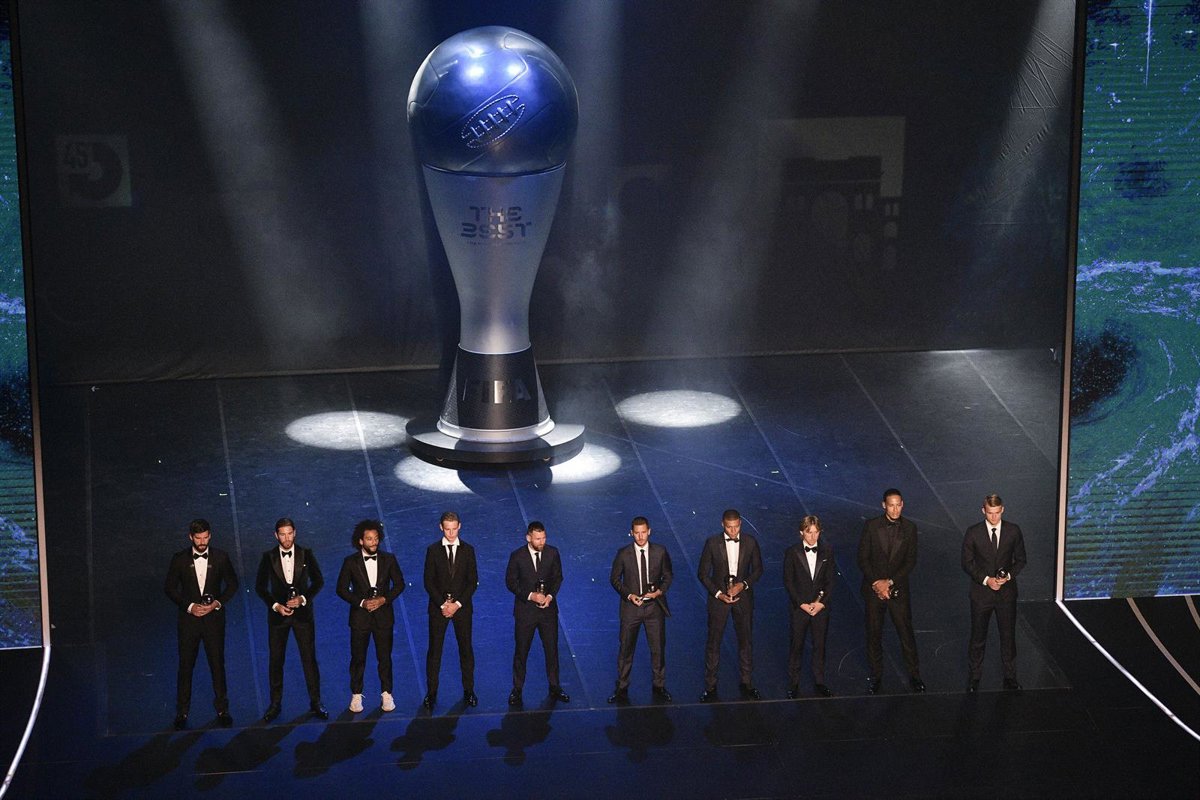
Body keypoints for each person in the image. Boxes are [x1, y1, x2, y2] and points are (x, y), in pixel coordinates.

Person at [163, 518, 238, 730]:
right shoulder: (179, 559)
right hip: (189, 623)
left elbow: (233, 584)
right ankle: (182, 712)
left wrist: (217, 603)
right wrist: (190, 606)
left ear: (210, 535)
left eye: (205, 537)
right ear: (190, 537)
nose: (202, 542)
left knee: (217, 665)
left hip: (214, 622)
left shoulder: (221, 557)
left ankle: (223, 710)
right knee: (186, 666)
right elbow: (169, 588)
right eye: (198, 538)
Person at [255, 517, 327, 721]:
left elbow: (318, 581)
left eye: (289, 534)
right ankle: (275, 704)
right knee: (276, 660)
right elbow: (260, 587)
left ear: (295, 533)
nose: (286, 538)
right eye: (282, 534)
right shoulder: (268, 557)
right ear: (276, 535)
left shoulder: (306, 554)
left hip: (303, 617)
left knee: (309, 659)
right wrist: (276, 606)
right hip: (278, 619)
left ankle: (316, 702)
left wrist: (303, 599)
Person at [858, 488, 924, 693]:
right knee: (874, 634)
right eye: (891, 505)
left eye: (898, 505)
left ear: (902, 504)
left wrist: (890, 582)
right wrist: (877, 583)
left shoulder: (910, 528)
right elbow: (862, 558)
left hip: (898, 590)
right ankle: (876, 676)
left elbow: (910, 561)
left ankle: (915, 675)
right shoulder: (871, 526)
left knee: (906, 633)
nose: (895, 510)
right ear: (883, 505)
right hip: (873, 590)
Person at [335, 519, 405, 713]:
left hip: (384, 617)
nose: (374, 542)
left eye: (376, 538)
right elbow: (341, 589)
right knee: (358, 658)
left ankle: (387, 693)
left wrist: (384, 599)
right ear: (360, 541)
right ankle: (356, 695)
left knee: (385, 658)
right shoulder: (350, 562)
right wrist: (362, 602)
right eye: (369, 539)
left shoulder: (389, 559)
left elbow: (399, 584)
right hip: (360, 619)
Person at [961, 494, 1027, 692]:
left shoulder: (1013, 531)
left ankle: (1010, 677)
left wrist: (1008, 576)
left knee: (1008, 637)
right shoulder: (973, 533)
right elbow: (967, 563)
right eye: (990, 513)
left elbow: (1021, 560)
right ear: (983, 511)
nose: (994, 517)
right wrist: (986, 580)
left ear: (1002, 510)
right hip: (981, 594)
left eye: (997, 513)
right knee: (978, 637)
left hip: (1006, 594)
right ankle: (974, 677)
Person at [697, 508, 764, 701]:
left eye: (736, 527)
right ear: (722, 525)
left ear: (740, 524)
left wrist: (743, 585)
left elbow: (758, 569)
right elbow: (703, 573)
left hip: (743, 600)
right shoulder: (712, 543)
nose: (733, 531)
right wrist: (719, 594)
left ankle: (747, 683)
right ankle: (710, 687)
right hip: (719, 602)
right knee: (714, 643)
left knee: (745, 642)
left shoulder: (750, 542)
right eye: (729, 527)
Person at [607, 515, 673, 704]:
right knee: (626, 648)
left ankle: (659, 686)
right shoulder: (623, 553)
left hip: (654, 607)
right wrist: (629, 595)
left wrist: (659, 591)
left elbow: (668, 575)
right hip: (631, 608)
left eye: (644, 532)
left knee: (657, 649)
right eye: (637, 533)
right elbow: (614, 579)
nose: (641, 536)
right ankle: (622, 687)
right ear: (631, 533)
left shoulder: (660, 551)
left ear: (649, 531)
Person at [505, 520, 568, 706]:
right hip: (525, 613)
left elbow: (558, 578)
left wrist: (549, 596)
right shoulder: (517, 556)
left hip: (548, 612)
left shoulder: (552, 553)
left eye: (544, 538)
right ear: (528, 538)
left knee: (552, 650)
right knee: (521, 651)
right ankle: (517, 689)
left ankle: (554, 686)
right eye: (538, 539)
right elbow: (511, 582)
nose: (541, 542)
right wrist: (531, 596)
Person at [423, 511, 478, 710]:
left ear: (459, 526)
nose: (451, 533)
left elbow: (472, 582)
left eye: (454, 529)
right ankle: (431, 693)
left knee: (466, 650)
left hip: (462, 609)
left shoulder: (469, 550)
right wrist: (443, 605)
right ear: (441, 528)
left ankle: (469, 691)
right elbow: (428, 582)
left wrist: (457, 604)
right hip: (439, 610)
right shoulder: (432, 550)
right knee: (434, 651)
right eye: (447, 529)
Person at [783, 515, 834, 698]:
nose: (813, 537)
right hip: (800, 609)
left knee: (819, 645)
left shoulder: (827, 551)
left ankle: (819, 681)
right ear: (801, 533)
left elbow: (830, 581)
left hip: (820, 609)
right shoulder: (792, 552)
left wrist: (821, 603)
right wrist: (801, 604)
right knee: (796, 645)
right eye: (809, 532)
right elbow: (789, 581)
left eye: (816, 532)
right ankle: (794, 683)